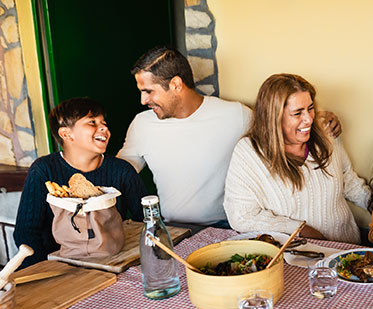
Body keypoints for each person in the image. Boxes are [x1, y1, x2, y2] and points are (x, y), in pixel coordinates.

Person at [118, 46, 341, 227]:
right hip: (172, 229)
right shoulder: (142, 124)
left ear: (176, 84)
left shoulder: (235, 115)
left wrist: (319, 118)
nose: (143, 101)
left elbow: (275, 121)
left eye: (148, 91)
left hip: (227, 228)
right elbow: (119, 173)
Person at [224, 73, 370, 243]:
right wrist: (300, 229)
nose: (308, 119)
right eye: (297, 113)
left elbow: (347, 179)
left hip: (345, 246)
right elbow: (241, 216)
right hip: (295, 254)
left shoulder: (327, 133)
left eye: (310, 108)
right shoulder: (249, 153)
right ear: (274, 118)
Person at [14, 97, 146, 268]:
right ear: (66, 134)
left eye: (103, 122)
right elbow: (26, 232)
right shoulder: (43, 170)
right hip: (60, 266)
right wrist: (43, 271)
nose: (104, 128)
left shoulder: (121, 170)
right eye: (92, 122)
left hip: (112, 262)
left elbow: (147, 219)